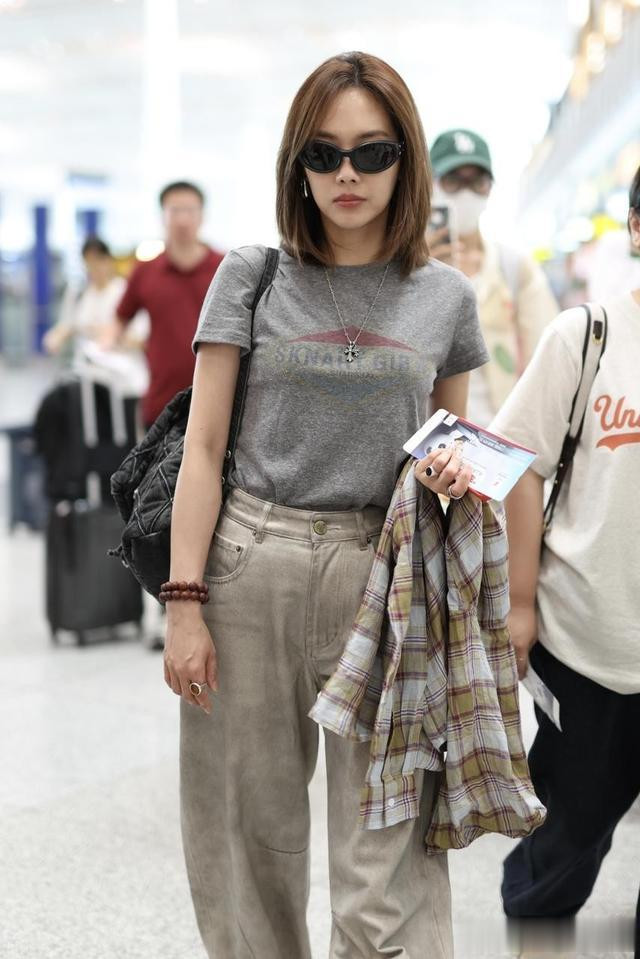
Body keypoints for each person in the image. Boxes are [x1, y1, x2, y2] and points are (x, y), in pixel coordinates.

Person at [162, 51, 488, 958]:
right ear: (297, 164)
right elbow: (204, 448)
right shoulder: (251, 274)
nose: (348, 174)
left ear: (405, 161)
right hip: (250, 562)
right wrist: (183, 603)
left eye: (372, 153)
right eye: (324, 152)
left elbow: (450, 443)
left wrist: (453, 472)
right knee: (246, 839)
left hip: (384, 577)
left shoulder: (444, 297)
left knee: (388, 855)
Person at [490, 165, 640, 953]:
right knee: (563, 844)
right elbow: (519, 460)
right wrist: (521, 602)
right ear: (637, 229)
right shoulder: (588, 336)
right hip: (586, 642)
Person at [427, 128, 558, 425]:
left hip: (500, 433)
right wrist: (418, 277)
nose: (466, 193)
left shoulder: (515, 268)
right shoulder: (402, 268)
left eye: (478, 182)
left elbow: (548, 359)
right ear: (430, 184)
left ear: (490, 188)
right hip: (426, 437)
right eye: (453, 180)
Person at [100, 181, 224, 429]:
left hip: (218, 405)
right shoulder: (146, 271)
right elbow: (120, 317)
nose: (182, 220)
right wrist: (106, 344)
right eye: (174, 211)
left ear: (202, 216)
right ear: (163, 216)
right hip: (162, 404)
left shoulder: (226, 268)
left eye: (189, 210)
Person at [44, 236, 148, 370]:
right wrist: (56, 338)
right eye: (89, 261)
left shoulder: (125, 292)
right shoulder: (79, 293)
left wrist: (111, 336)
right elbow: (67, 324)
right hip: (86, 370)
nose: (95, 267)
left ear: (109, 260)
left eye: (99, 259)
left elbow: (141, 337)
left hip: (118, 369)